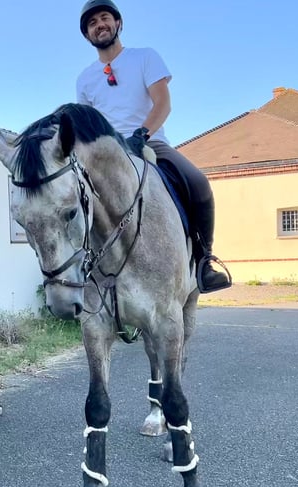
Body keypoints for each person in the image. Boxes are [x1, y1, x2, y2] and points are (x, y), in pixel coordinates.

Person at [76, 0, 231, 293]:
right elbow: (88, 125)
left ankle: (203, 261)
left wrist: (142, 134)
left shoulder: (145, 57)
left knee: (199, 183)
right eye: (92, 23)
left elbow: (163, 102)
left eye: (104, 18)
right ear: (87, 35)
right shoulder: (84, 80)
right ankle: (79, 269)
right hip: (107, 152)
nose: (100, 25)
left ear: (118, 23)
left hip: (150, 142)